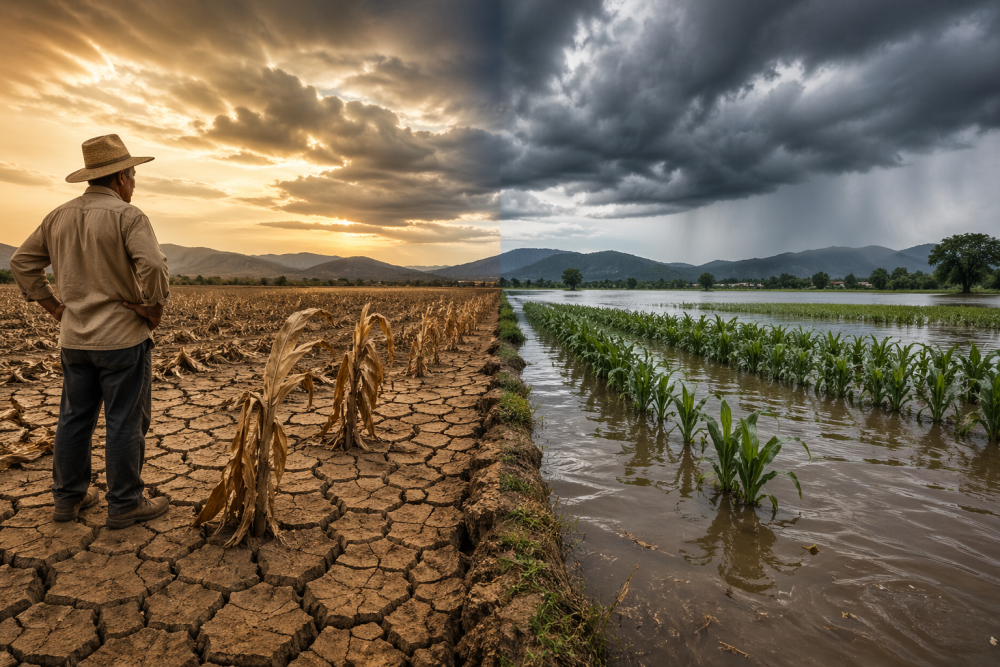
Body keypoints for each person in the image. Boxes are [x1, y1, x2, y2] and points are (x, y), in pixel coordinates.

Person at [10, 134, 171, 529]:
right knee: (124, 421)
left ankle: (68, 500)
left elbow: (21, 262)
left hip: (75, 339)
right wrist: (153, 308)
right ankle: (125, 503)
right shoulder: (128, 216)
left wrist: (55, 308)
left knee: (74, 418)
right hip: (122, 340)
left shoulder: (58, 216)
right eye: (133, 176)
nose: (134, 184)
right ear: (119, 178)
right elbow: (151, 264)